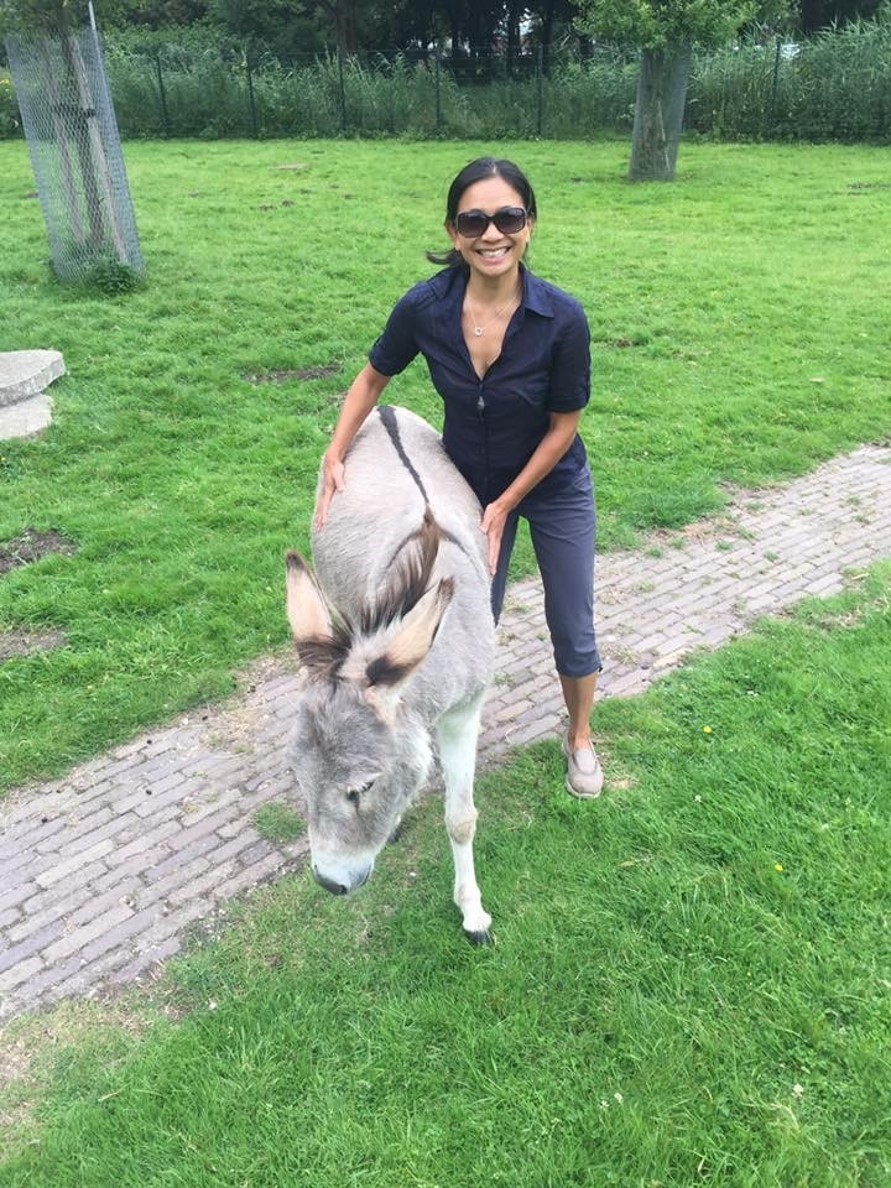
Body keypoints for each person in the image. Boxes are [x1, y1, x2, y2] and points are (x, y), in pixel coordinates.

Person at [315, 156, 603, 798]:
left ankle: (580, 736)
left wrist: (507, 504)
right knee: (464, 619)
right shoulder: (427, 308)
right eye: (475, 220)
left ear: (529, 225)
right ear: (453, 232)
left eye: (508, 217)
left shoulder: (562, 319)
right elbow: (371, 378)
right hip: (466, 486)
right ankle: (437, 734)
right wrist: (337, 453)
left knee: (572, 624)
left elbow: (564, 426)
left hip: (551, 484)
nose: (491, 234)